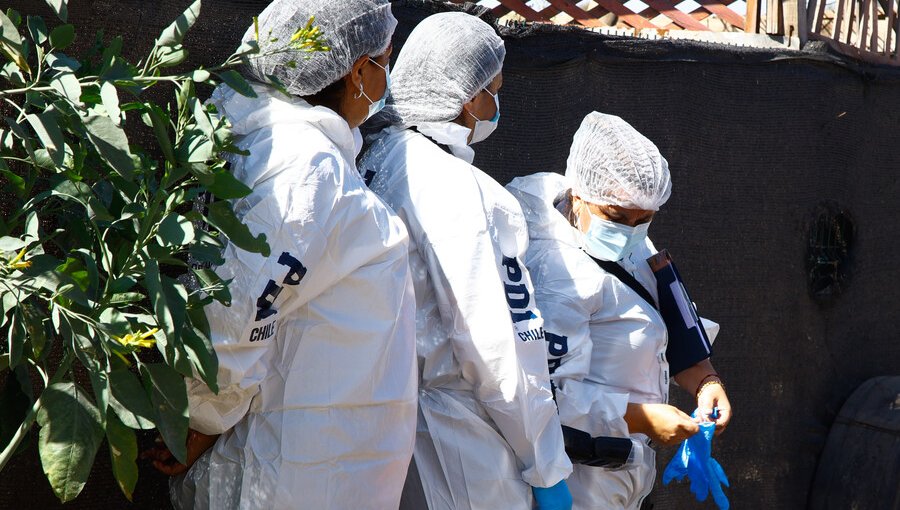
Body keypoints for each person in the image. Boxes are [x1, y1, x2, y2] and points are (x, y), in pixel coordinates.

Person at [144, 1, 418, 508]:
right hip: (292, 471)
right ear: (358, 70)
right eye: (385, 59)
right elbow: (241, 307)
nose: (387, 77)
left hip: (312, 460)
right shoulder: (305, 168)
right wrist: (205, 418)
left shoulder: (286, 148)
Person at [359, 11, 573, 510]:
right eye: (492, 89)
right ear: (467, 98)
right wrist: (546, 466)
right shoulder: (470, 193)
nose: (495, 103)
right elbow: (503, 349)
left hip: (375, 435)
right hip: (464, 450)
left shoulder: (369, 160)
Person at [506, 112, 733, 510]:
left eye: (644, 220)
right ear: (580, 195)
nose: (630, 230)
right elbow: (546, 397)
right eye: (618, 217)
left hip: (624, 471)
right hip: (581, 479)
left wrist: (706, 382)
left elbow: (663, 325)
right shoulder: (558, 275)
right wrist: (643, 419)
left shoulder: (625, 243)